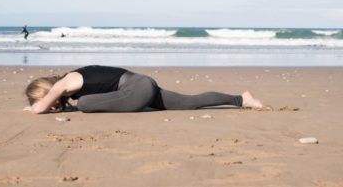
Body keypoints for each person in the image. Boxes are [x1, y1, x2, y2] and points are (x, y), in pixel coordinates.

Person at [23, 65, 264, 114]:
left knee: (85, 105)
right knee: (189, 102)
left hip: (135, 87)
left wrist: (36, 107)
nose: (52, 105)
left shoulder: (63, 83)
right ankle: (241, 99)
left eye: (44, 98)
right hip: (140, 85)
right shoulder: (70, 84)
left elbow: (40, 110)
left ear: (46, 90)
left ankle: (241, 99)